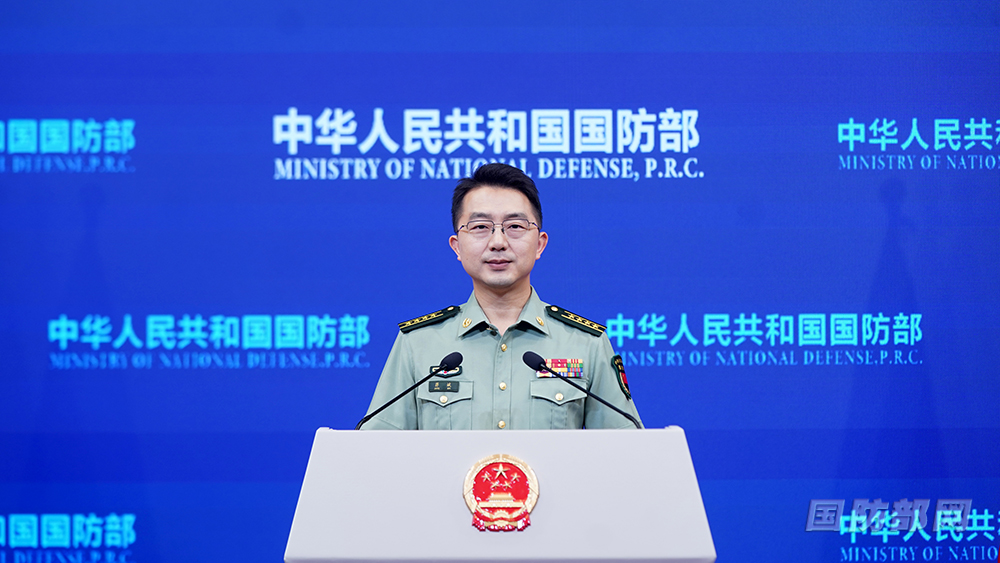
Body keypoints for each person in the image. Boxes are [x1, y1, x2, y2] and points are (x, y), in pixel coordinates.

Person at [361, 163, 642, 430]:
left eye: (515, 227)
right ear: (457, 246)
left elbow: (627, 451)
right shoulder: (417, 344)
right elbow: (376, 450)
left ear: (540, 244)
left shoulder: (586, 343)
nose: (498, 242)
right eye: (480, 227)